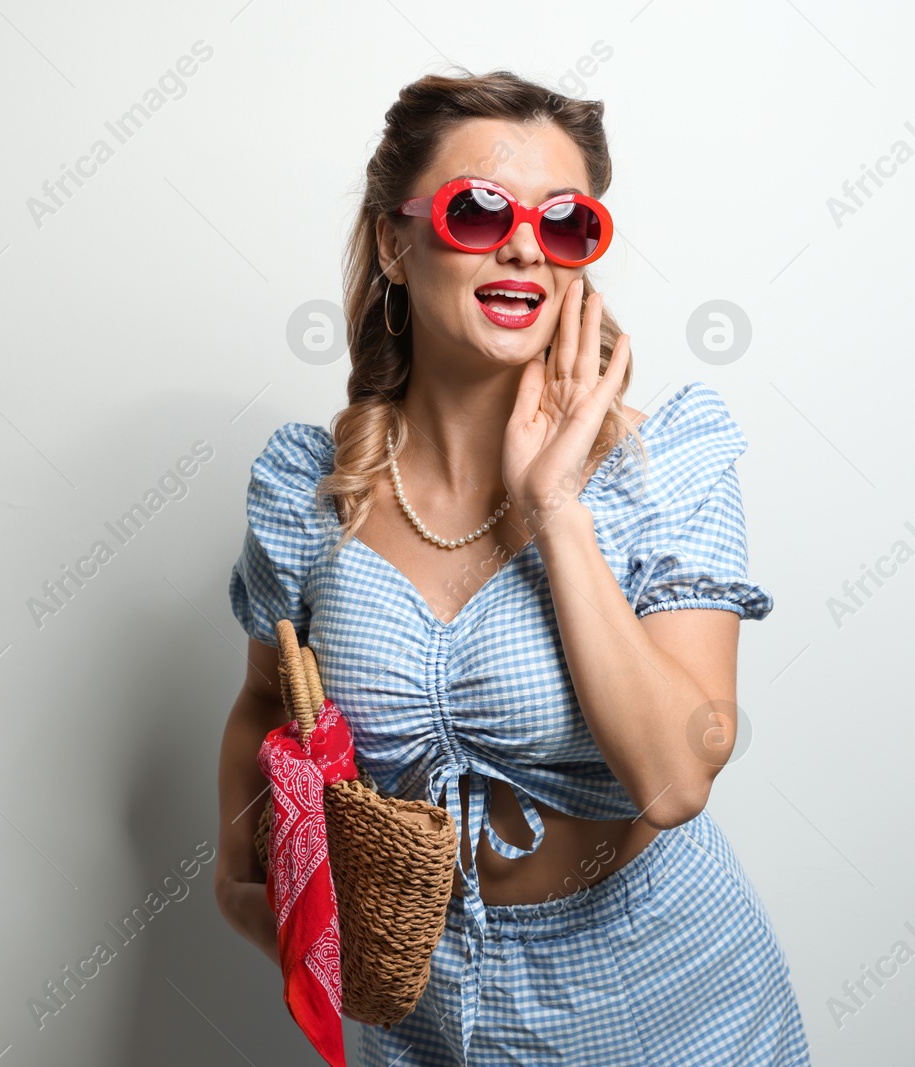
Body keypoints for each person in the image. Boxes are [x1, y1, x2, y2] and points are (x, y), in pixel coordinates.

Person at [214, 67, 811, 1067]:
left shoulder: (663, 470)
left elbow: (672, 778)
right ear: (393, 242)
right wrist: (249, 889)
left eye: (566, 220)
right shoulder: (312, 491)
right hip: (427, 1020)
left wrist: (554, 511)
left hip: (671, 1009)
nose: (526, 245)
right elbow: (267, 705)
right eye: (479, 210)